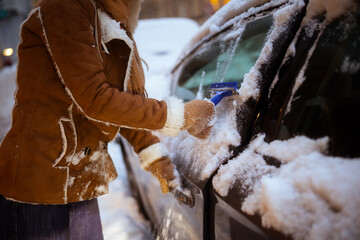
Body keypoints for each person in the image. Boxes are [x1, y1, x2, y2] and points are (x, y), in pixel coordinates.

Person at [0, 0, 215, 239]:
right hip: (42, 183)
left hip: (79, 179)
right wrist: (180, 115)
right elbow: (95, 98)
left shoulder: (108, 16)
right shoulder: (64, 7)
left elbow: (119, 99)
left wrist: (152, 153)